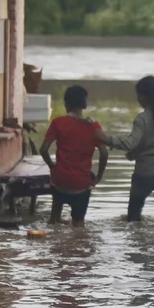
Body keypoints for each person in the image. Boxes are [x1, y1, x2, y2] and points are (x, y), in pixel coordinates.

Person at [100, 76, 154, 223]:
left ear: (142, 96)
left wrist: (107, 138)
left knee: (133, 218)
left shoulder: (142, 118)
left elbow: (131, 142)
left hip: (145, 173)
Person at [39, 85, 108, 227]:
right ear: (84, 104)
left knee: (54, 221)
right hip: (82, 183)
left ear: (66, 103)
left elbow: (44, 149)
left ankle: (55, 221)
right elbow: (104, 153)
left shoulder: (58, 123)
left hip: (60, 180)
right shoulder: (93, 126)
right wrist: (99, 176)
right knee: (78, 225)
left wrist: (53, 166)